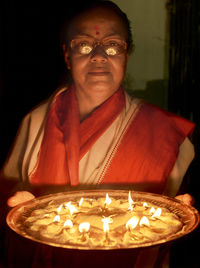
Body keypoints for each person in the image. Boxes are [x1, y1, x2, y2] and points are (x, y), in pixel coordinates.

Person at [0, 1, 196, 267]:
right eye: (84, 45)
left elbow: (169, 218)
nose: (99, 56)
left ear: (127, 55)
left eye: (113, 45)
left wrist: (178, 211)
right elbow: (9, 198)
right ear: (68, 56)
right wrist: (16, 206)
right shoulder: (34, 122)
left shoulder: (166, 133)